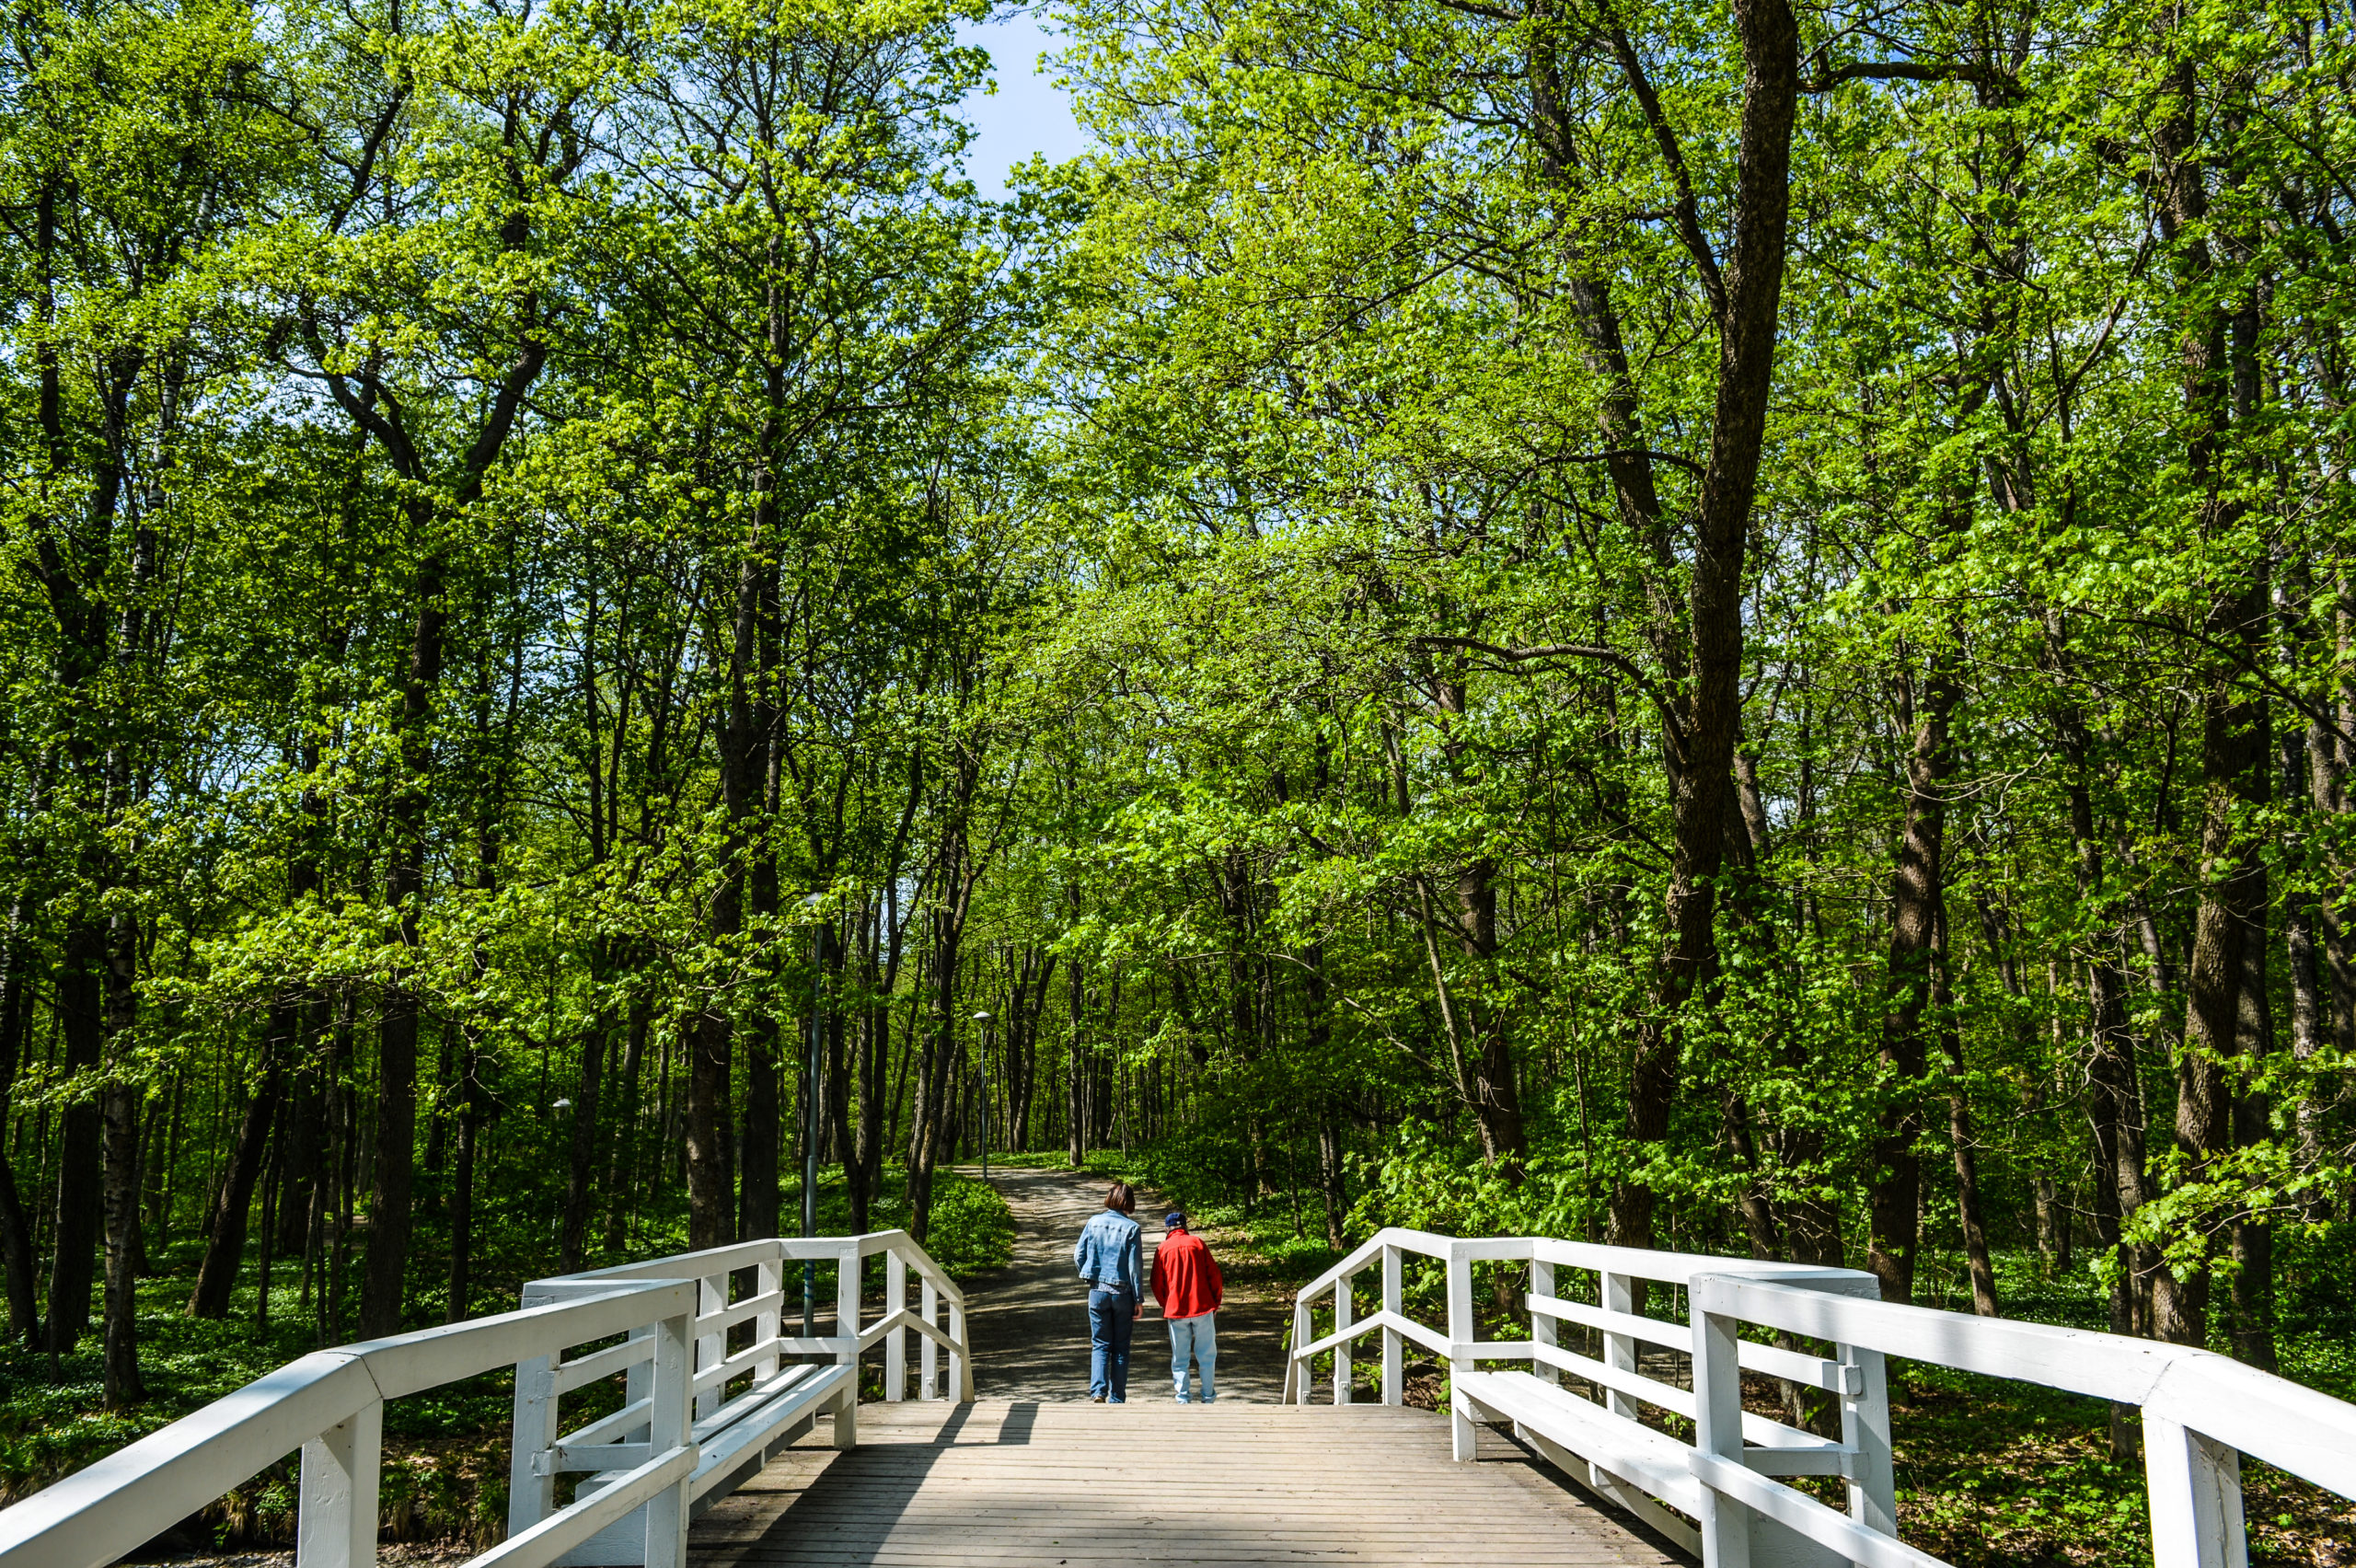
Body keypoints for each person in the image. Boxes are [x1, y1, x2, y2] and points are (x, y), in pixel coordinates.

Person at [1072, 1182, 1144, 1402]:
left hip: (1098, 1292)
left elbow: (1078, 1256)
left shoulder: (1093, 1223)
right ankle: (1118, 1397)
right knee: (1121, 1347)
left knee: (1100, 1344)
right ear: (1129, 1202)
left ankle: (1098, 1392)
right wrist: (1139, 1299)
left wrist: (1089, 1273)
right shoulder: (1132, 1228)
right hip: (1123, 1294)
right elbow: (1134, 1267)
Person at [1150, 1209, 1223, 1404]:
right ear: (1185, 1227)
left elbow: (1156, 1283)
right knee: (1207, 1356)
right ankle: (1208, 1397)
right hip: (1202, 1306)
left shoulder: (1163, 1249)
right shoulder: (1198, 1243)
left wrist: (1167, 1304)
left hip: (1176, 1311)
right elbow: (1215, 1276)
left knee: (1180, 1358)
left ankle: (1182, 1399)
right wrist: (1215, 1304)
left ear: (1167, 1229)